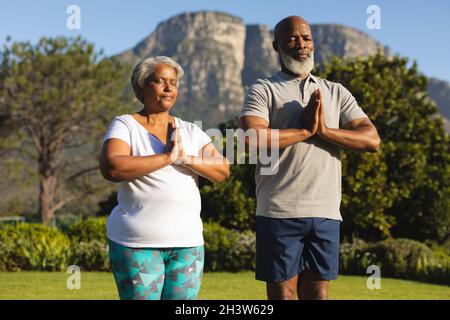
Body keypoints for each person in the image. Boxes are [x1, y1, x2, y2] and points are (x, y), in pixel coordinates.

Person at [238, 16, 381, 300]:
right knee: (284, 295)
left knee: (319, 295)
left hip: (326, 211)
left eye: (306, 38)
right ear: (276, 45)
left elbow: (371, 140)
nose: (301, 44)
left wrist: (325, 130)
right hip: (279, 210)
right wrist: (304, 130)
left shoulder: (336, 91)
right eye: (292, 38)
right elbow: (250, 137)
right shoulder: (264, 89)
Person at [99, 56, 230, 300]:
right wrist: (167, 158)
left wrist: (185, 158)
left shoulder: (190, 130)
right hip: (136, 244)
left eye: (174, 83)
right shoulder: (125, 124)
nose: (169, 88)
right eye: (161, 81)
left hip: (188, 245)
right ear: (141, 86)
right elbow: (112, 167)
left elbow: (222, 170)